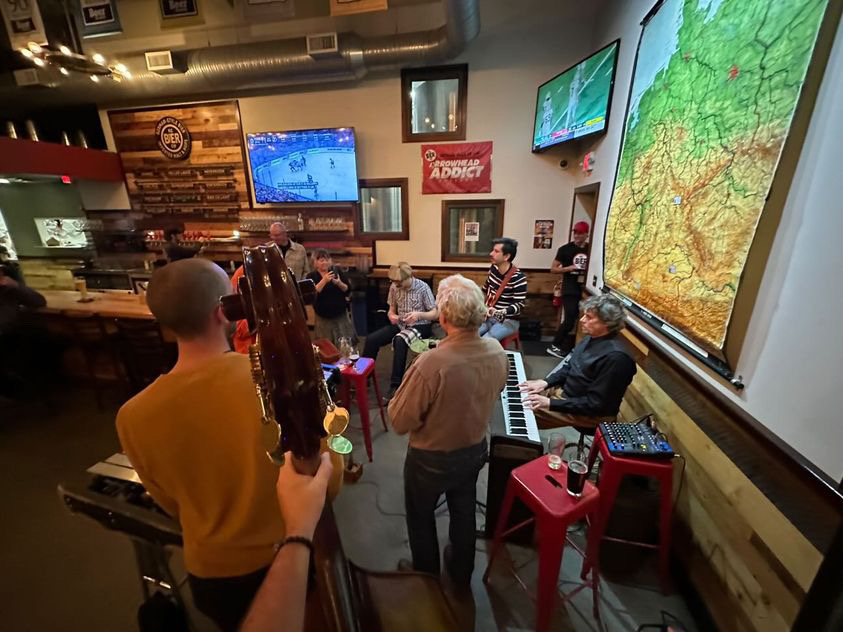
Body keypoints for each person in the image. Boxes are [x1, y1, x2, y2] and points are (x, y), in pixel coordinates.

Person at [115, 258, 341, 631]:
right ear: (224, 312)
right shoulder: (275, 385)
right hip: (289, 556)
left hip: (212, 577)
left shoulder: (131, 415)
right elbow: (325, 482)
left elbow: (169, 502)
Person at [389, 274, 508, 587]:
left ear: (442, 317)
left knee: (420, 517)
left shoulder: (431, 363)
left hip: (430, 459)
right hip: (473, 451)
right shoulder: (497, 350)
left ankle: (426, 580)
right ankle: (460, 573)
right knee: (464, 510)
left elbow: (400, 422)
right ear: (480, 314)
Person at [240, 451, 333, 632]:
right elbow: (327, 481)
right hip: (292, 561)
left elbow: (170, 506)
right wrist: (299, 529)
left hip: (208, 571)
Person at [520, 294, 636, 429]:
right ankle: (558, 442)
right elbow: (569, 367)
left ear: (607, 322)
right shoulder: (590, 338)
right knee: (519, 396)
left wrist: (550, 403)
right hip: (567, 397)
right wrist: (545, 382)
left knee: (522, 414)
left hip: (590, 414)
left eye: (589, 317)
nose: (581, 320)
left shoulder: (617, 359)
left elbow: (596, 405)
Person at [362, 262, 436, 400]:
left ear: (408, 277)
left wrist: (419, 315)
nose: (396, 285)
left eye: (398, 282)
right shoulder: (394, 286)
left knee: (400, 340)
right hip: (401, 324)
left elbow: (434, 313)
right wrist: (391, 315)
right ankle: (363, 377)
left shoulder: (422, 287)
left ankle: (396, 386)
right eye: (394, 282)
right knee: (371, 339)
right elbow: (391, 309)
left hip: (420, 325)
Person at [0, 266, 50, 399]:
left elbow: (39, 301)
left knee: (48, 338)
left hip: (13, 338)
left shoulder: (8, 289)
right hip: (8, 341)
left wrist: (16, 285)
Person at [548, 221, 590, 358]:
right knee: (570, 318)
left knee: (583, 319)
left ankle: (577, 347)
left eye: (580, 233)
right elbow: (553, 269)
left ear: (586, 234)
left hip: (586, 290)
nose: (577, 235)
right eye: (575, 232)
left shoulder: (591, 249)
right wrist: (568, 268)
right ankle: (555, 345)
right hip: (569, 289)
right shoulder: (565, 249)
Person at [478, 237, 528, 341]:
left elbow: (519, 305)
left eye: (496, 251)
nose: (491, 253)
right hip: (488, 317)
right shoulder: (493, 269)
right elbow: (485, 289)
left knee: (486, 341)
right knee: (468, 336)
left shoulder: (518, 277)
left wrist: (501, 312)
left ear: (506, 256)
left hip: (508, 320)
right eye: (493, 250)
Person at [306, 249, 356, 347]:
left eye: (326, 259)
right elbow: (312, 294)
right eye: (321, 260)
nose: (324, 262)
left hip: (341, 315)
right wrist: (324, 280)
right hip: (323, 318)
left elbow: (347, 289)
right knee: (327, 347)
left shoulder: (336, 272)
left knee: (345, 345)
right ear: (315, 263)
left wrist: (339, 283)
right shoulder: (311, 276)